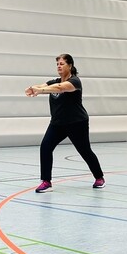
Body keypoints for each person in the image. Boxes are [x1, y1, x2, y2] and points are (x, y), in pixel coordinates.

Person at [24, 54, 105, 193]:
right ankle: (46, 181)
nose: (59, 66)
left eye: (62, 63)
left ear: (70, 66)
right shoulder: (53, 82)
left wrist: (41, 90)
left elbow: (60, 88)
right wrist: (32, 88)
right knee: (45, 147)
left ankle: (99, 177)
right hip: (57, 124)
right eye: (57, 64)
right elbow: (43, 85)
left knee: (85, 151)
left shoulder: (75, 82)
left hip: (77, 123)